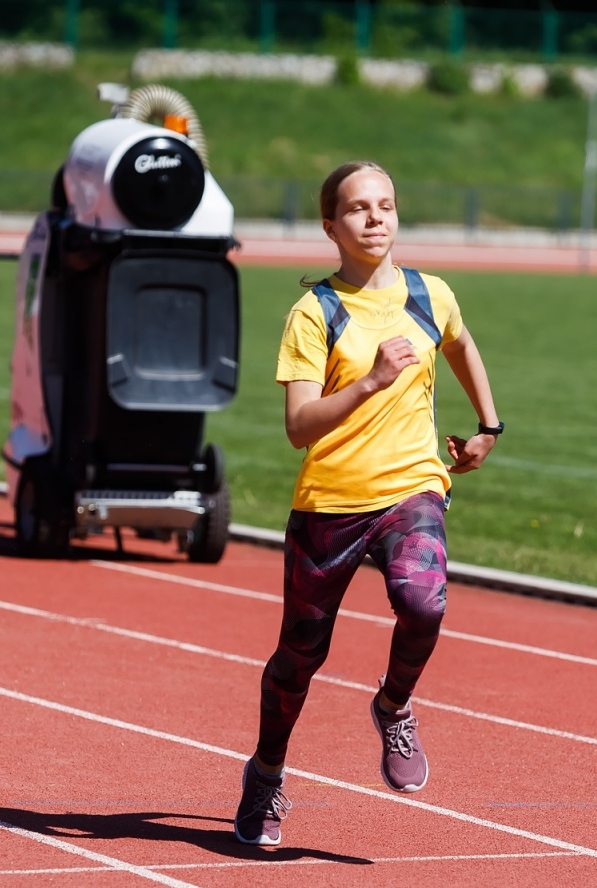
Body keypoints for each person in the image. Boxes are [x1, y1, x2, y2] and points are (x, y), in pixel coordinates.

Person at [234, 160, 504, 846]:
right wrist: (371, 382)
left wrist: (487, 428)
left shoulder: (430, 294)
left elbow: (462, 345)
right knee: (299, 657)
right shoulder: (312, 313)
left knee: (424, 601)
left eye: (385, 205)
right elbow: (299, 427)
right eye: (358, 208)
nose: (376, 218)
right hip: (329, 503)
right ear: (331, 225)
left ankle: (394, 703)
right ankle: (266, 774)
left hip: (412, 488)